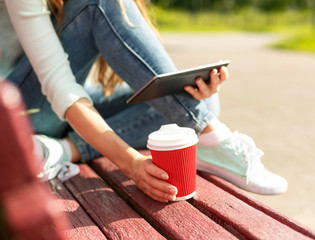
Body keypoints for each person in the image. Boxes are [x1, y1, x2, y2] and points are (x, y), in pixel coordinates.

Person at [1, 0, 287, 202]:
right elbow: (59, 86)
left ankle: (65, 149)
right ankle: (213, 137)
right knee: (95, 1)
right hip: (12, 112)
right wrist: (131, 163)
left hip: (47, 112)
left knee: (198, 108)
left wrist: (190, 95)